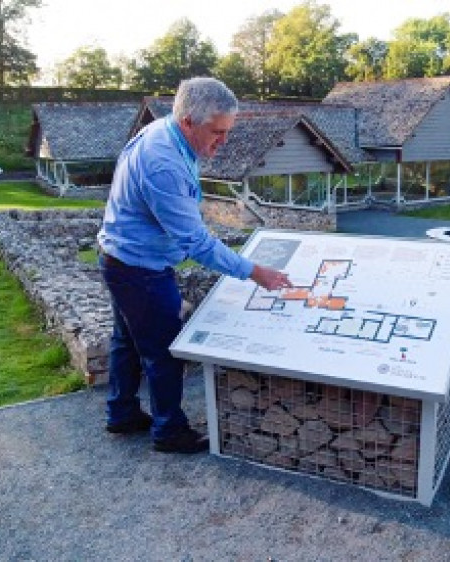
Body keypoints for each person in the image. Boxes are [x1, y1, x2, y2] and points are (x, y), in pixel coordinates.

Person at [97, 77, 292, 454]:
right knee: (164, 350)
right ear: (188, 120)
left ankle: (121, 413)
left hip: (121, 259)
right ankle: (169, 430)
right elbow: (196, 242)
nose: (223, 141)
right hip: (141, 270)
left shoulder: (163, 132)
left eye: (227, 131)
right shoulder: (163, 163)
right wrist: (255, 272)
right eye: (217, 132)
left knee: (126, 342)